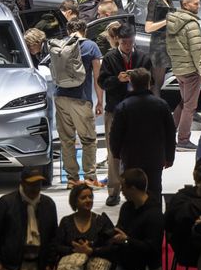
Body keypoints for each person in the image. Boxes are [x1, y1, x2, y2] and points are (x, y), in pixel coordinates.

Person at [97, 24, 149, 206]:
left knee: (138, 151)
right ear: (118, 40)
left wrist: (138, 80)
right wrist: (116, 80)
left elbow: (152, 81)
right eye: (125, 42)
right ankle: (113, 191)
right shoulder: (110, 58)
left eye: (131, 42)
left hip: (137, 111)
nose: (128, 45)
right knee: (114, 152)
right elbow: (102, 82)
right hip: (115, 110)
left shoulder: (142, 56)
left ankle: (137, 187)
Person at [100, 168, 164, 270]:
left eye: (123, 187)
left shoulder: (154, 215)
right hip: (124, 268)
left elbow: (152, 248)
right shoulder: (126, 208)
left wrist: (127, 240)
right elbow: (121, 229)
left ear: (133, 188)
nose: (121, 190)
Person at [109, 68, 175, 204]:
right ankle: (155, 220)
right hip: (155, 157)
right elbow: (170, 133)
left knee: (133, 192)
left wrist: (116, 153)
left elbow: (115, 135)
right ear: (149, 83)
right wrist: (169, 156)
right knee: (154, 191)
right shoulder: (161, 105)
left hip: (131, 158)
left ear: (131, 83)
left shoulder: (123, 107)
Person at [54, 18, 103, 187]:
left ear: (68, 31)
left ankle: (72, 179)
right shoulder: (91, 47)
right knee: (88, 139)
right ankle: (90, 178)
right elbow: (98, 77)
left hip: (60, 96)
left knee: (67, 140)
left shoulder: (60, 45)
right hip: (81, 99)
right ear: (85, 30)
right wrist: (99, 102)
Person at [52, 184, 116, 270]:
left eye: (90, 197)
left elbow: (111, 247)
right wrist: (74, 251)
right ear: (74, 201)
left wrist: (91, 250)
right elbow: (57, 246)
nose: (88, 200)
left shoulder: (101, 221)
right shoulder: (66, 221)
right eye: (83, 198)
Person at [167, 0, 201, 151]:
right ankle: (183, 140)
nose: (199, 5)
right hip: (191, 71)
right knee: (190, 106)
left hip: (178, 68)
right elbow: (197, 52)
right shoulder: (191, 24)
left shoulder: (172, 20)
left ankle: (168, 135)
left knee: (184, 103)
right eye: (196, 3)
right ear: (185, 4)